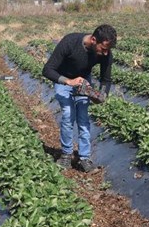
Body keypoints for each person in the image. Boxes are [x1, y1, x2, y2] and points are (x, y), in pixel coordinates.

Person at [43, 24, 117, 173]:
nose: (105, 53)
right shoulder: (70, 42)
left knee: (83, 118)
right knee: (68, 115)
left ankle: (84, 158)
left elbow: (105, 80)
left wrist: (102, 95)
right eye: (103, 48)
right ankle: (66, 154)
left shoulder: (106, 54)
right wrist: (69, 81)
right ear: (93, 39)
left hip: (83, 81)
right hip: (63, 80)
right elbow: (47, 70)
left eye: (108, 50)